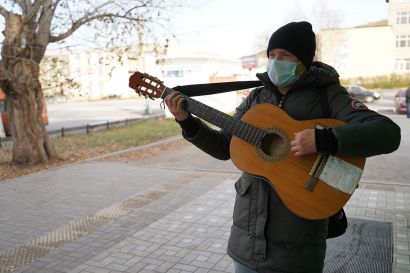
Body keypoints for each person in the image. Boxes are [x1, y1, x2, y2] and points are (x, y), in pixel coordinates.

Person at [165, 21, 401, 273]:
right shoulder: (257, 98)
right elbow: (225, 147)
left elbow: (388, 132)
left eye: (285, 55)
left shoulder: (328, 95)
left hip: (297, 247)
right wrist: (187, 122)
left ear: (304, 60)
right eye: (271, 55)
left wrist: (325, 139)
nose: (276, 60)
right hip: (247, 241)